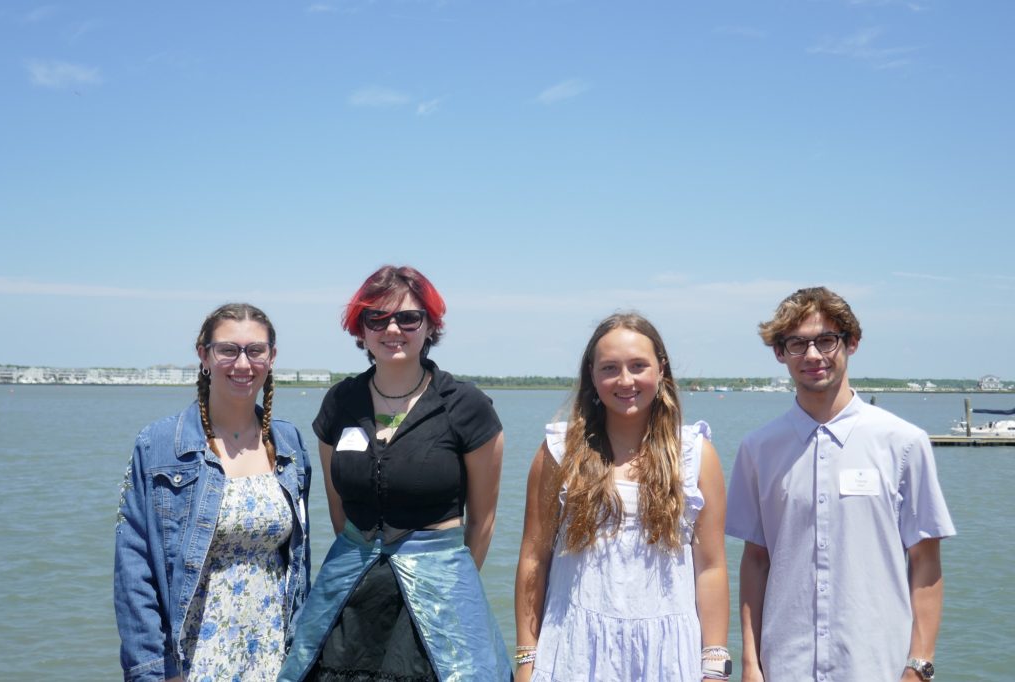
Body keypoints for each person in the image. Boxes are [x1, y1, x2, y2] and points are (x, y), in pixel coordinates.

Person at [278, 265, 511, 682]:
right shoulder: (340, 401)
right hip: (351, 589)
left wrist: (447, 580)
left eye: (408, 317)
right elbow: (339, 511)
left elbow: (483, 520)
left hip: (441, 594)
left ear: (429, 325)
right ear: (361, 330)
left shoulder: (467, 405)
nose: (393, 329)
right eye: (377, 318)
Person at [726, 287, 956, 682]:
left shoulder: (903, 444)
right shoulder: (757, 450)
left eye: (826, 340)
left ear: (852, 343)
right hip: (785, 666)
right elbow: (756, 560)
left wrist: (918, 667)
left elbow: (925, 563)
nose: (813, 355)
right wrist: (750, 661)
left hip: (877, 665)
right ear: (780, 353)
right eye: (797, 343)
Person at [514, 312, 731, 681]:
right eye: (610, 367)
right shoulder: (558, 452)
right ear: (592, 375)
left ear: (661, 370)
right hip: (574, 647)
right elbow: (535, 558)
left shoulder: (695, 454)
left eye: (638, 366)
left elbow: (710, 567)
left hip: (667, 653)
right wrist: (526, 658)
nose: (625, 380)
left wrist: (714, 665)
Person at [114, 303, 312, 681]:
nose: (242, 363)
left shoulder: (289, 444)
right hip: (191, 660)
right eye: (228, 350)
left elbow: (299, 566)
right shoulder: (158, 445)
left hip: (275, 657)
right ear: (204, 355)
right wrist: (154, 671)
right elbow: (133, 571)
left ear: (271, 357)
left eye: (255, 350)